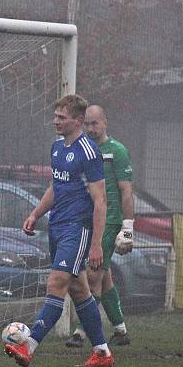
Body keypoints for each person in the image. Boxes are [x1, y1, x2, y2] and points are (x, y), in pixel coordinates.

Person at [7, 94, 114, 367]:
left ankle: (28, 347)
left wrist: (97, 244)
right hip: (57, 226)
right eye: (55, 116)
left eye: (61, 117)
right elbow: (56, 186)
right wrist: (35, 213)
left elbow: (100, 201)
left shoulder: (88, 152)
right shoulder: (56, 147)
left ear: (77, 121)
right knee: (79, 289)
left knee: (56, 284)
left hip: (77, 229)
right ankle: (102, 352)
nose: (55, 121)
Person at [66, 104, 134, 348]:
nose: (91, 128)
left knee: (92, 276)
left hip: (110, 220)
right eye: (87, 124)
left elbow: (126, 191)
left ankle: (80, 333)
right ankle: (121, 331)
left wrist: (127, 227)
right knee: (105, 278)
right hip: (89, 220)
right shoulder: (83, 150)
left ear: (105, 122)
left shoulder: (117, 151)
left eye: (95, 123)